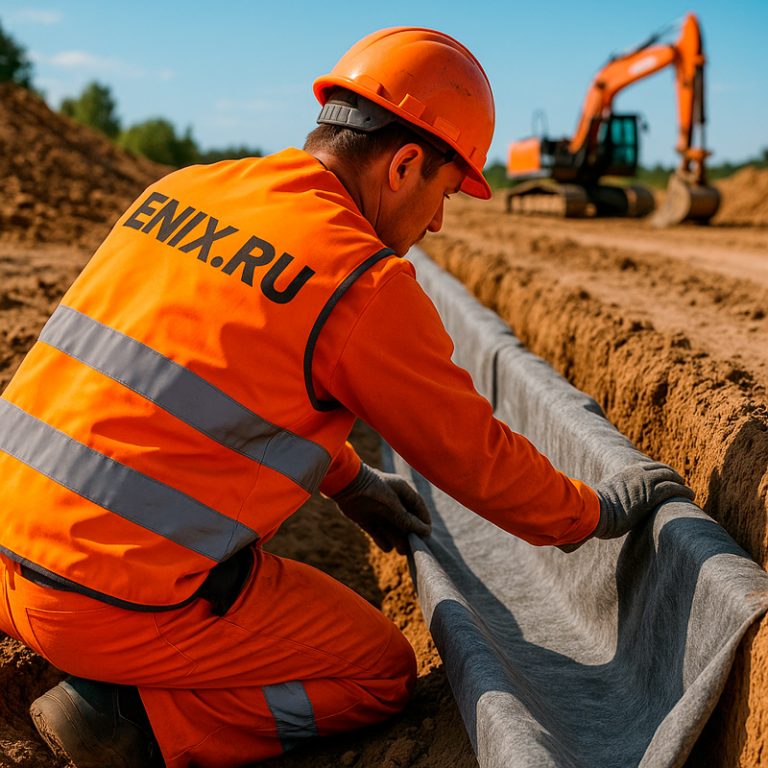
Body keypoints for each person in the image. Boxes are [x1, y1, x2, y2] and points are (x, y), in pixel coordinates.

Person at [0, 26, 693, 768]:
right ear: (403, 165)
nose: (436, 223)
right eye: (444, 193)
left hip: (8, 558)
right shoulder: (360, 282)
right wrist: (594, 512)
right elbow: (473, 456)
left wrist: (351, 479)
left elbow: (202, 381)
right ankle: (129, 716)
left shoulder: (187, 189)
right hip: (100, 606)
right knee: (376, 671)